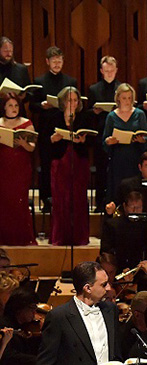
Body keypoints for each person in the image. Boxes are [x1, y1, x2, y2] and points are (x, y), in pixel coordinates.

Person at [31, 47, 78, 211]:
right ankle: (46, 201)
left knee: (66, 164)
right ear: (47, 62)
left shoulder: (70, 82)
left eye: (59, 60)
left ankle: (66, 199)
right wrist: (42, 105)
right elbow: (32, 106)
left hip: (66, 125)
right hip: (46, 129)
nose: (57, 64)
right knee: (47, 165)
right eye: (54, 61)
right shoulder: (39, 81)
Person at [49, 86, 94, 246]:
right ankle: (60, 237)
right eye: (69, 100)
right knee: (61, 199)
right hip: (60, 162)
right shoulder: (54, 117)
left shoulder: (84, 117)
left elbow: (92, 140)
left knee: (78, 199)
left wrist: (83, 140)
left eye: (76, 100)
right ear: (63, 101)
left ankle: (79, 237)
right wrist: (54, 139)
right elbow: (46, 142)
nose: (73, 103)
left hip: (79, 161)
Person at [103, 83, 147, 207]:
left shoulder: (139, 114)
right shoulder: (111, 116)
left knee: (134, 193)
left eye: (130, 98)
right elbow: (104, 141)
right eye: (124, 98)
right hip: (118, 160)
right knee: (118, 192)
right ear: (118, 98)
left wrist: (142, 140)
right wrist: (109, 141)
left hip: (135, 159)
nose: (127, 101)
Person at [0, 92, 36, 244]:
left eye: (16, 105)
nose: (14, 108)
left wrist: (23, 143)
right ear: (4, 107)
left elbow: (32, 148)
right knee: (4, 201)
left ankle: (21, 236)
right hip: (3, 168)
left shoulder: (27, 123)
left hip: (20, 168)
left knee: (19, 201)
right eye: (10, 105)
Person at [87, 56, 121, 210]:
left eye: (112, 70)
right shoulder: (94, 89)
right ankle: (100, 202)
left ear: (116, 70)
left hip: (118, 132)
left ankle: (117, 201)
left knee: (116, 169)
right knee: (101, 170)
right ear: (101, 71)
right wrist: (94, 111)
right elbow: (87, 112)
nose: (109, 73)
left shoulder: (121, 88)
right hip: (100, 133)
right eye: (106, 70)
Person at [101, 190, 147, 270]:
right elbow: (106, 250)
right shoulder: (112, 225)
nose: (135, 211)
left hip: (141, 268)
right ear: (125, 206)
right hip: (118, 267)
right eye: (132, 207)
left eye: (138, 207)